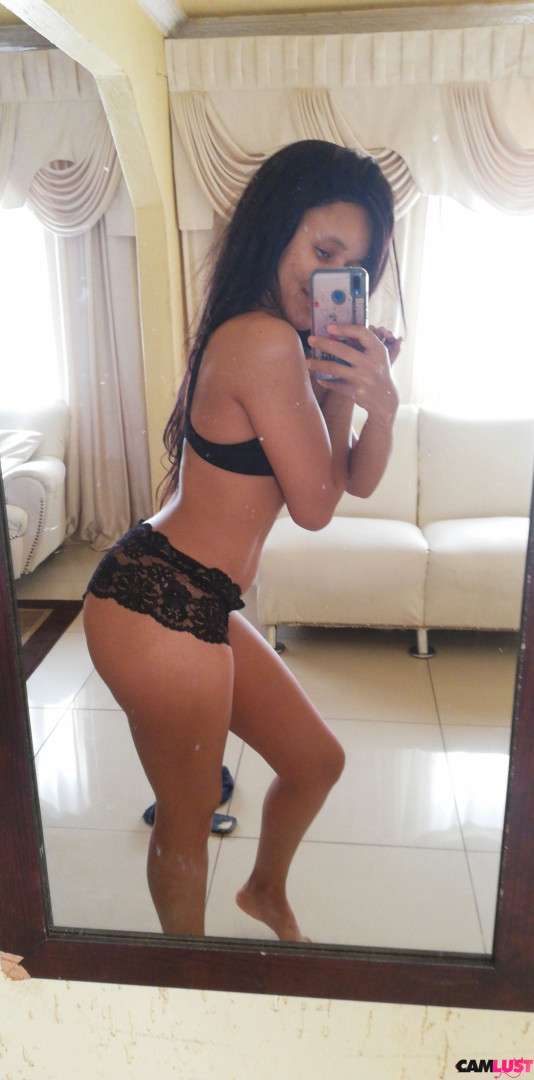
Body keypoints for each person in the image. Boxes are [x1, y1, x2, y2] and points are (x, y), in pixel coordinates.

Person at [83, 139, 402, 941]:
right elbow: (319, 506)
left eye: (352, 267)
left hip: (195, 596)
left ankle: (264, 893)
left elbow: (354, 480)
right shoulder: (262, 340)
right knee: (187, 818)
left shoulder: (283, 342)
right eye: (322, 252)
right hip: (154, 604)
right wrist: (341, 390)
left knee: (315, 763)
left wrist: (377, 401)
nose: (330, 278)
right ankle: (188, 981)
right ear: (275, 227)